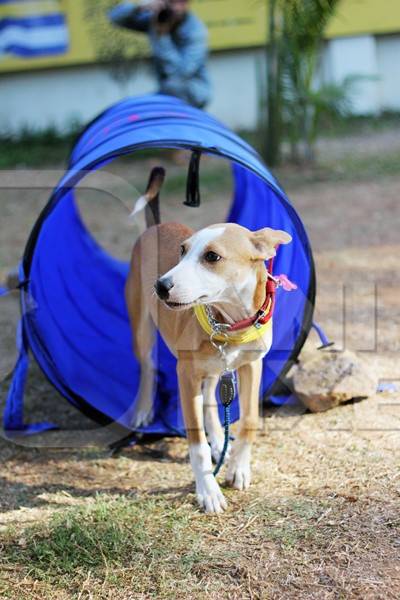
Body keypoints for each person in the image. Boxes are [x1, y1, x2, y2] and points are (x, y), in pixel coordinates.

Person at [108, 0, 211, 108]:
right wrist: (139, 7)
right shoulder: (155, 20)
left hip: (193, 93)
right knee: (133, 106)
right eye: (172, 2)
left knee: (168, 89)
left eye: (181, 2)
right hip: (167, 91)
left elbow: (180, 73)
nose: (176, 8)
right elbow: (115, 18)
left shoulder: (195, 31)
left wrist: (162, 37)